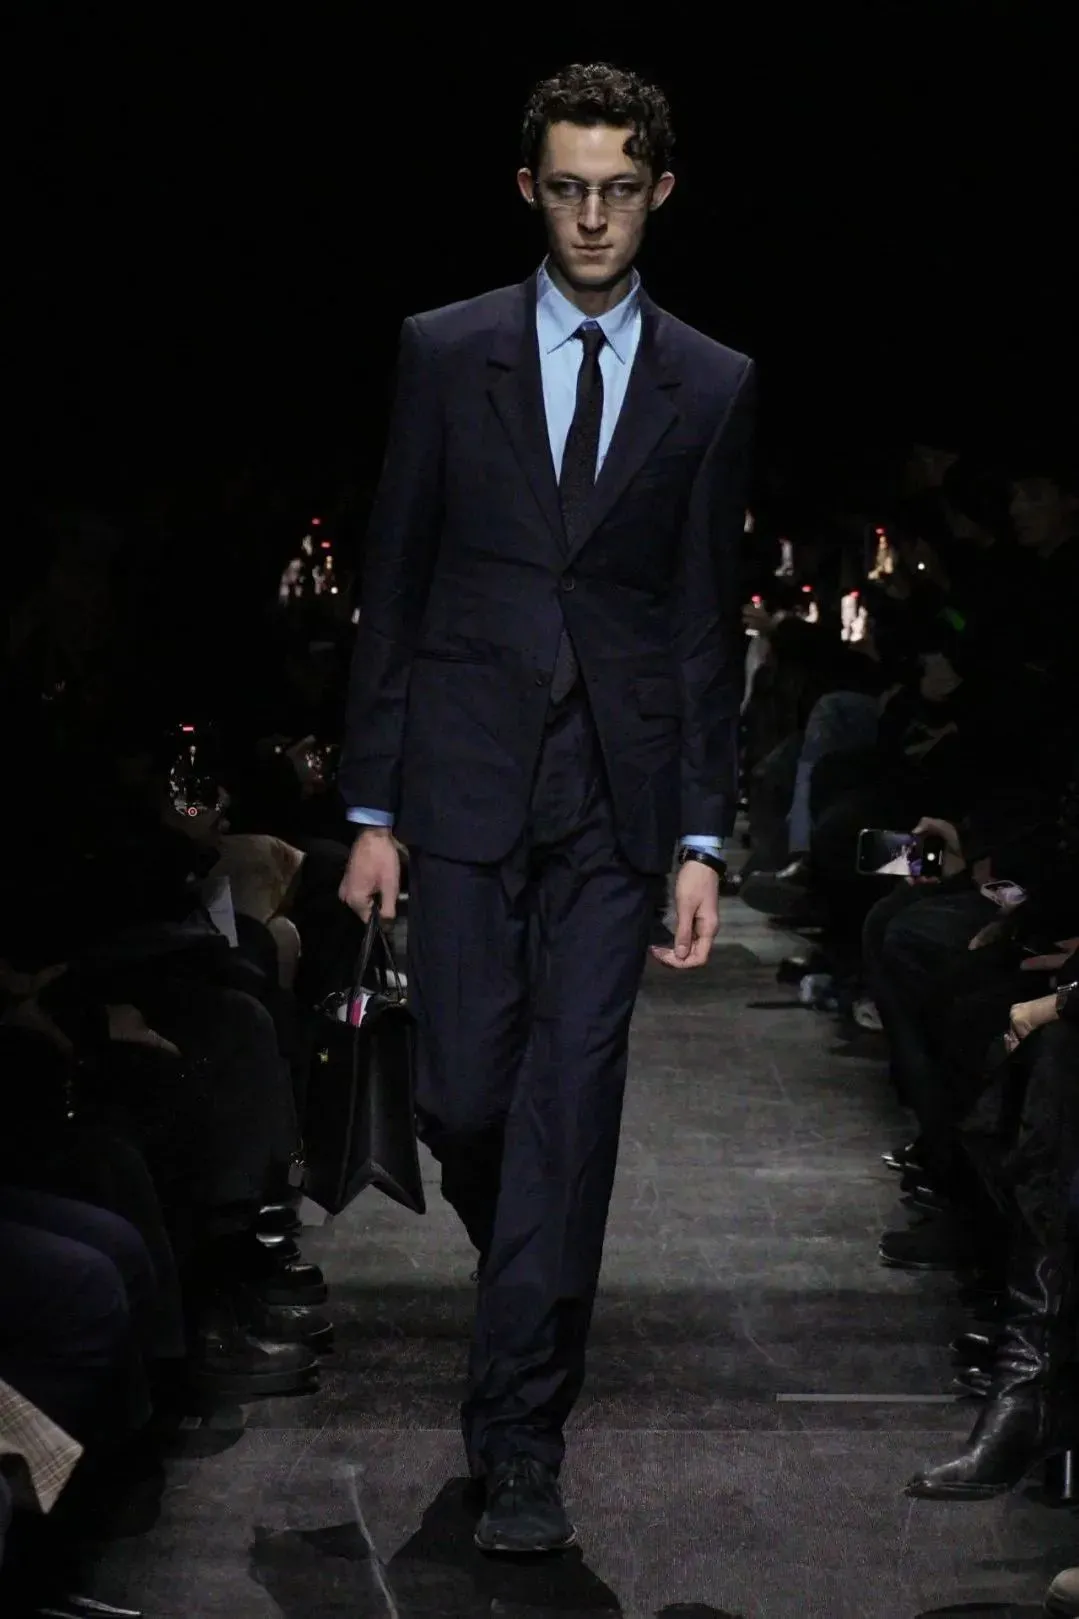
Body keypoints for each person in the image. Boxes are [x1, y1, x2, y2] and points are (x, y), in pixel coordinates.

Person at [337, 61, 753, 1553]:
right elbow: (395, 575)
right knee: (464, 1097)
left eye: (618, 190)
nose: (591, 217)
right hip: (457, 775)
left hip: (615, 800)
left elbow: (703, 620)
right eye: (567, 189)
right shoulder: (446, 351)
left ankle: (520, 1435)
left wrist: (700, 836)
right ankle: (527, 1252)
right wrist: (369, 806)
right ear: (529, 189)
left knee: (570, 1109)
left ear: (659, 193)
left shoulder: (712, 381)